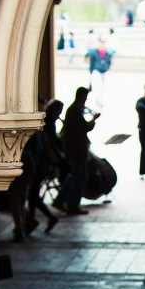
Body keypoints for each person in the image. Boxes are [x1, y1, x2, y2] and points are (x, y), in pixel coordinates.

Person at [58, 87, 98, 215]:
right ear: (81, 97)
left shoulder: (74, 109)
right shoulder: (74, 110)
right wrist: (94, 119)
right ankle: (73, 204)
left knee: (74, 176)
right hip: (77, 150)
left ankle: (62, 200)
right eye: (85, 98)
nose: (85, 101)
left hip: (75, 149)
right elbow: (85, 127)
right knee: (79, 177)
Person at [26, 99, 63, 234]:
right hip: (42, 163)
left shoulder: (41, 124)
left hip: (40, 164)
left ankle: (43, 218)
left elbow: (41, 147)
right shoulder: (44, 122)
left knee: (33, 195)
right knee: (32, 194)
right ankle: (31, 220)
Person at [85, 36, 113, 108]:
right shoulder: (94, 52)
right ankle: (99, 101)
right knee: (98, 87)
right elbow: (91, 63)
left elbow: (109, 62)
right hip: (96, 71)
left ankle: (99, 101)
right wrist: (91, 72)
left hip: (103, 71)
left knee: (102, 87)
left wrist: (106, 68)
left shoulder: (107, 53)